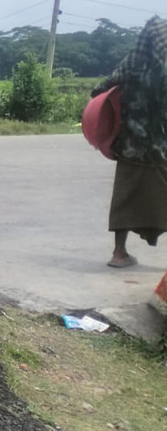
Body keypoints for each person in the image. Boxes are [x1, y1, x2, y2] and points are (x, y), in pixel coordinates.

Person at [93, 17, 167, 269]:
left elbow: (102, 89)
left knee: (124, 198)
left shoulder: (132, 64)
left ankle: (119, 253)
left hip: (130, 147)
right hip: (160, 149)